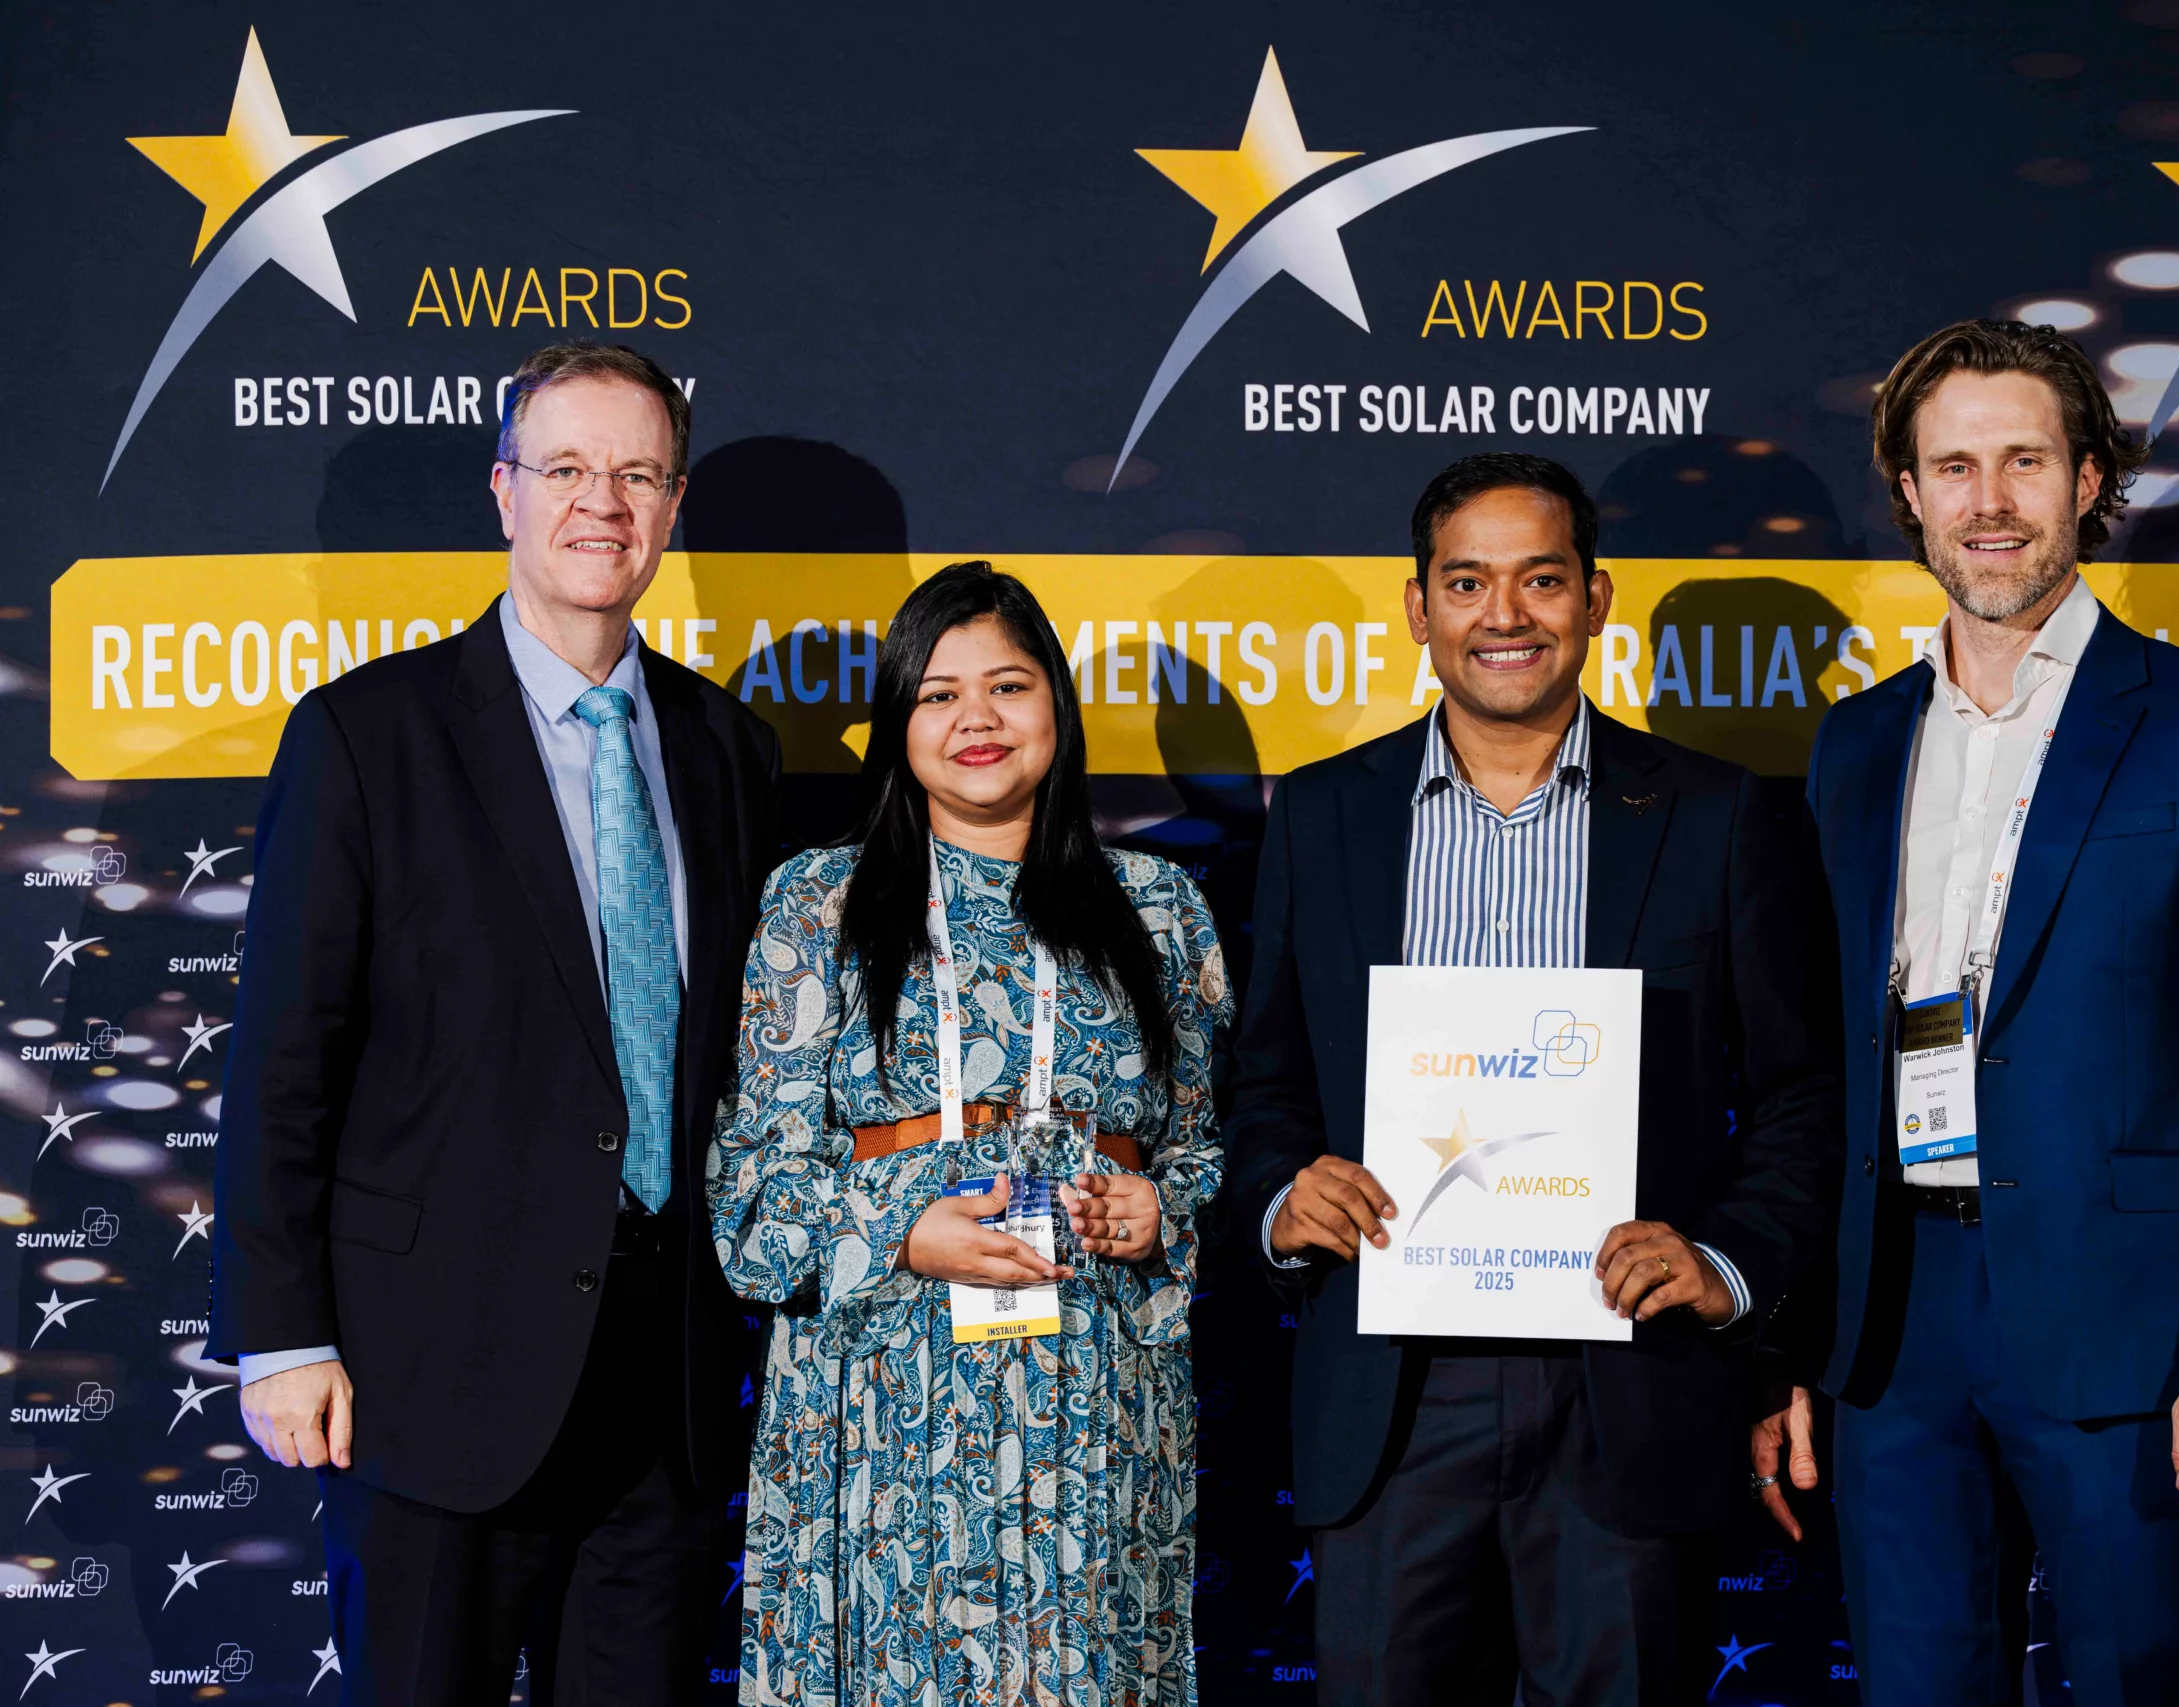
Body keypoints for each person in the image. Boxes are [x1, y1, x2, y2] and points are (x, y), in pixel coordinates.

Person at [1757, 319, 2179, 1705]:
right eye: (1954, 467)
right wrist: (1795, 1339)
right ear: (1909, 492)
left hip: (2128, 1326)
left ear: (2088, 479)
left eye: (2023, 460)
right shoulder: (1856, 741)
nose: (1990, 502)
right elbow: (1820, 1062)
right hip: (1891, 1328)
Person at [209, 342, 781, 1706]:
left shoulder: (727, 747)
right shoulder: (367, 734)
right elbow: (284, 1058)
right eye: (566, 467)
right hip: (428, 1376)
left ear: (675, 504)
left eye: (638, 473)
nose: (603, 503)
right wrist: (283, 1336)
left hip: (665, 1391)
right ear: (503, 490)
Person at [1224, 452, 1840, 1706]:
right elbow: (1265, 1080)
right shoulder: (1325, 814)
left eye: (1540, 580)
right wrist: (1284, 1197)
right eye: (1466, 583)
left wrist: (1723, 1264)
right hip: (1393, 1393)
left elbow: (1801, 1094)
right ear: (1418, 609)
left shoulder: (1716, 815)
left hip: (1626, 1390)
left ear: (1595, 598)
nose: (1503, 615)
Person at [711, 560, 1232, 1705]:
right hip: (879, 1395)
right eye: (938, 694)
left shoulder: (1159, 907)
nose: (976, 720)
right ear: (898, 724)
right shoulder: (819, 901)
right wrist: (903, 1229)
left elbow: (1203, 1151)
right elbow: (751, 1196)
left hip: (1095, 1396)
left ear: (1057, 706)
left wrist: (1163, 1209)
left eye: (1007, 686)